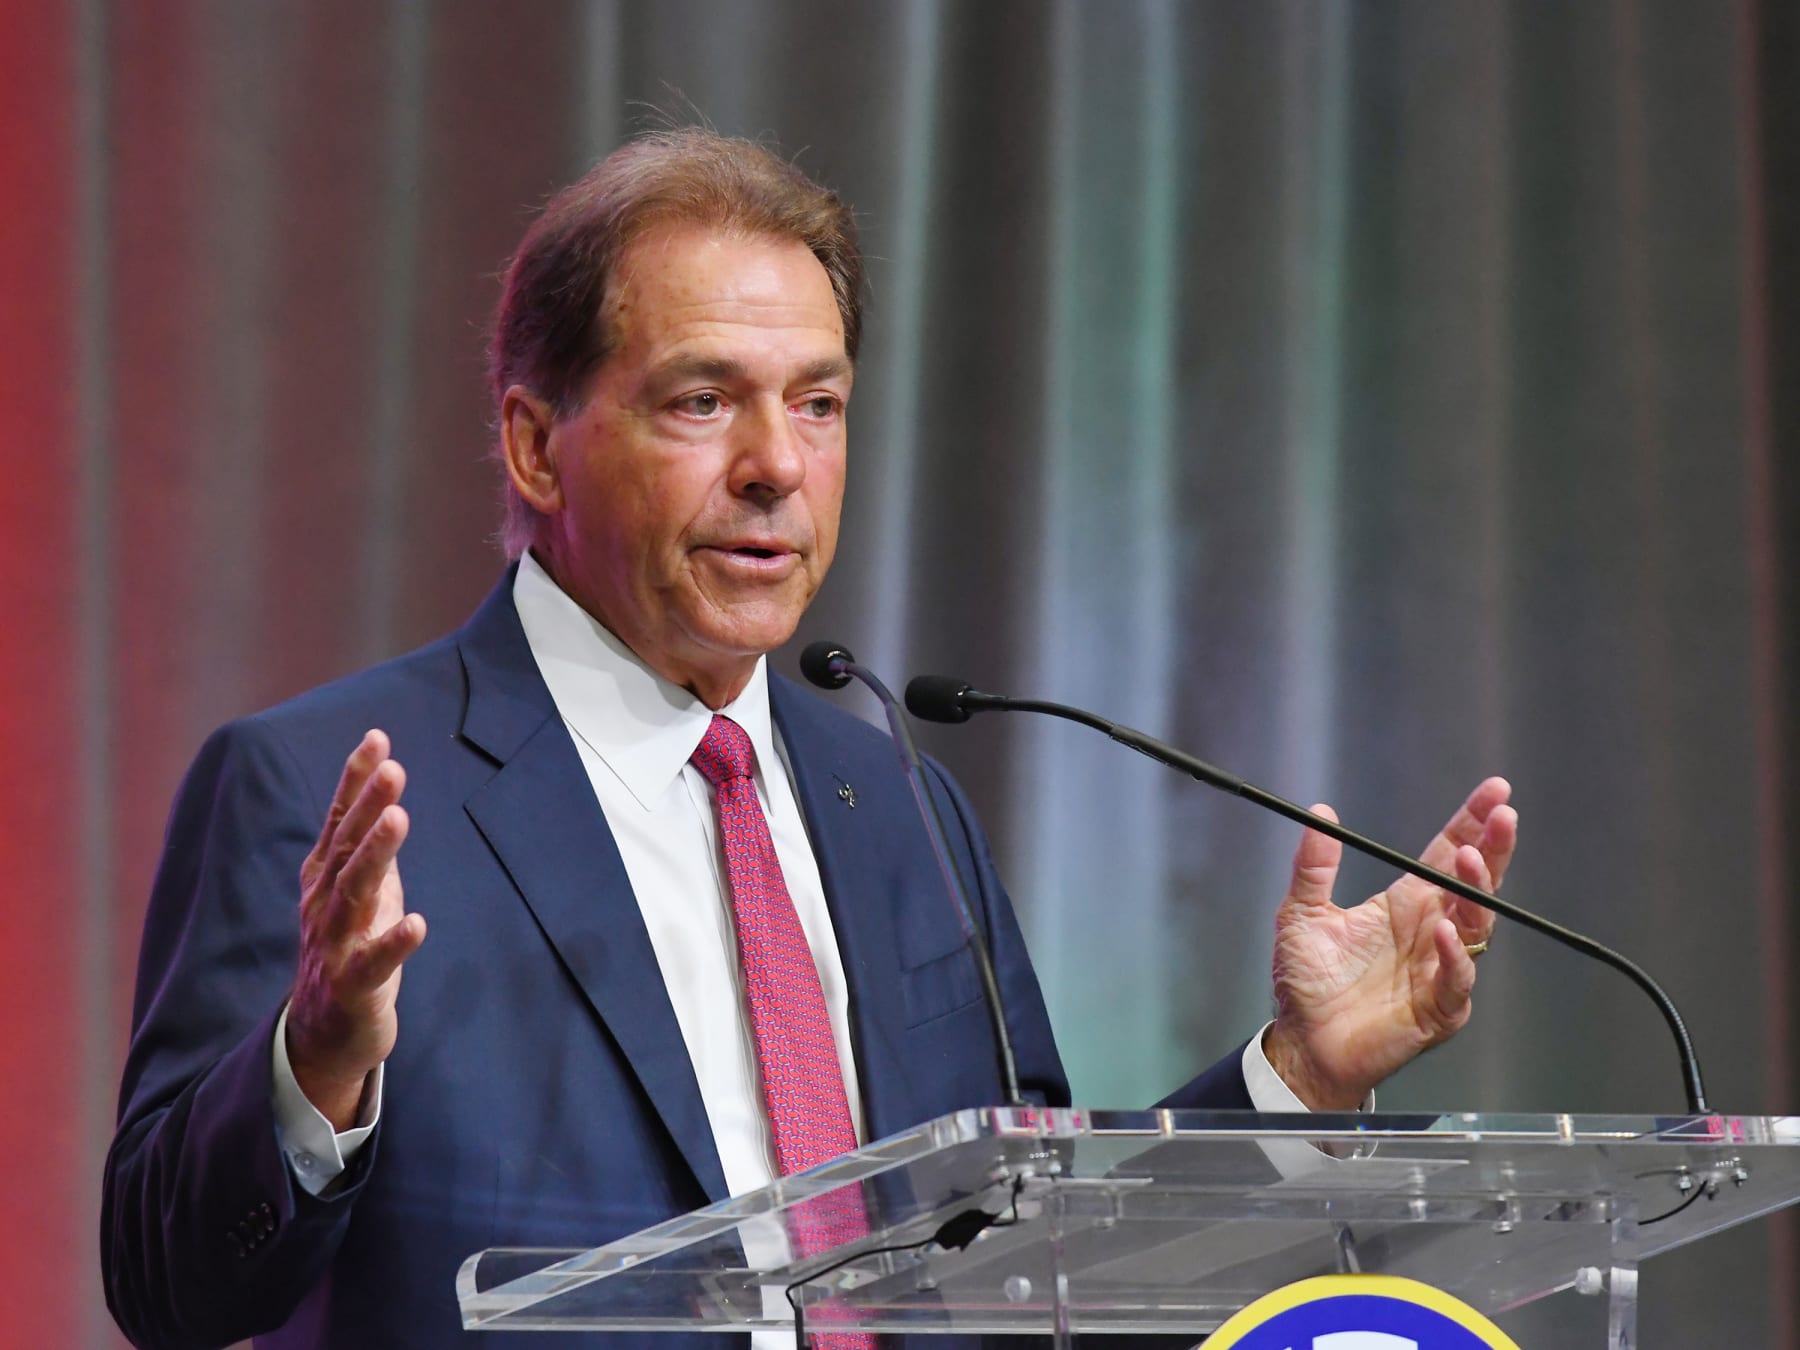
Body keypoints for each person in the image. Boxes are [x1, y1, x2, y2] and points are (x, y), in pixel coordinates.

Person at [102, 129, 1516, 1350]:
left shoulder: (900, 809)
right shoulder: (323, 792)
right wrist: (316, 1065)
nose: (779, 463)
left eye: (820, 403)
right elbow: (162, 1285)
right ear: (538, 446)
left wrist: (1300, 1076)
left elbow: (1045, 1261)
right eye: (704, 399)